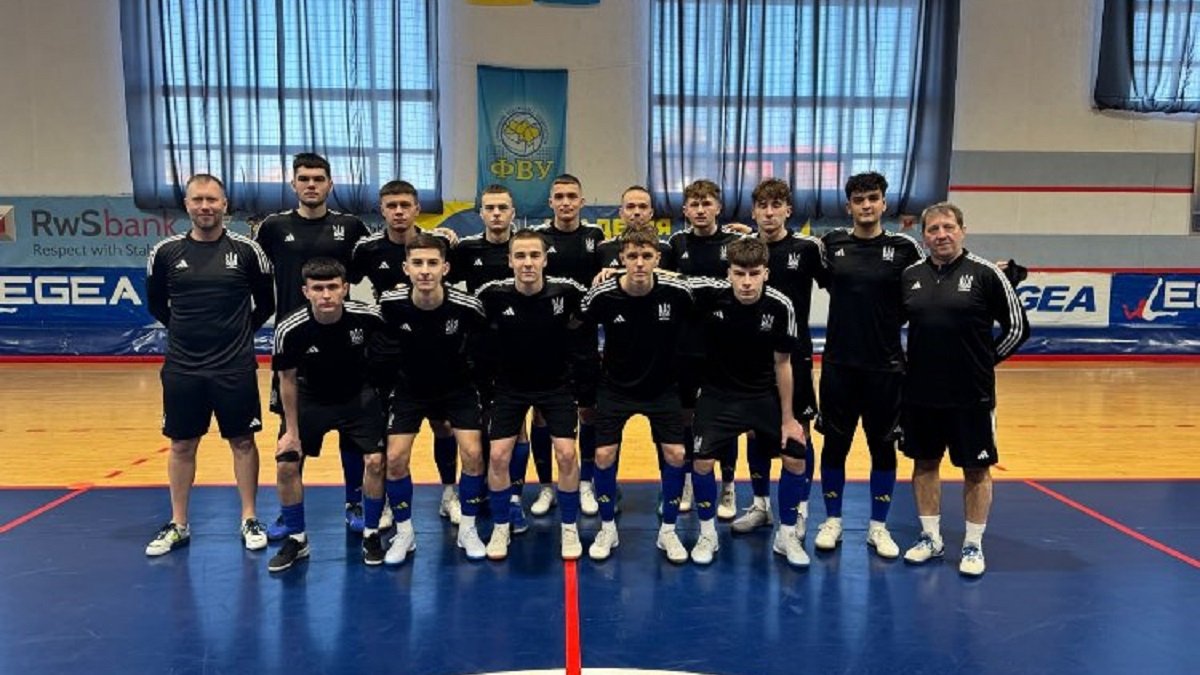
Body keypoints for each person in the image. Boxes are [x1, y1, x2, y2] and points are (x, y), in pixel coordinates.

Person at [144, 173, 274, 556]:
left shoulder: (248, 251)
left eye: (212, 199)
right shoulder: (165, 252)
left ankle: (249, 518)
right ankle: (179, 523)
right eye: (198, 199)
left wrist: (238, 335)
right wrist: (187, 333)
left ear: (224, 205)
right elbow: (157, 305)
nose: (205, 206)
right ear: (187, 205)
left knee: (243, 441)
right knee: (182, 444)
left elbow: (265, 304)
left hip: (234, 366)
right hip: (183, 368)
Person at [899, 202, 1029, 576]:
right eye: (933, 229)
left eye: (948, 227)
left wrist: (985, 362)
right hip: (921, 394)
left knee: (976, 468)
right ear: (924, 236)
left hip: (972, 395)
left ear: (962, 231)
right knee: (924, 463)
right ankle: (930, 538)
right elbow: (890, 324)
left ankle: (973, 544)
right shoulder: (910, 276)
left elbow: (1018, 328)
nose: (941, 235)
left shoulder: (987, 274)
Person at [254, 153, 373, 538]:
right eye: (304, 178)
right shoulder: (273, 227)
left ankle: (355, 501)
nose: (311, 185)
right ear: (293, 184)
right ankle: (288, 513)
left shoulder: (350, 227)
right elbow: (255, 275)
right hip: (294, 344)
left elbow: (382, 259)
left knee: (353, 432)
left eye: (318, 179)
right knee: (291, 434)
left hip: (344, 343)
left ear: (330, 184)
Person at [813, 172, 924, 558]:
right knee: (835, 445)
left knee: (883, 447)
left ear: (884, 203)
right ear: (848, 206)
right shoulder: (831, 244)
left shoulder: (905, 248)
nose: (866, 205)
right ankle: (832, 521)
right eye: (859, 199)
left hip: (886, 368)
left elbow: (929, 285)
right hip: (839, 365)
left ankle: (879, 526)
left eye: (873, 198)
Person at [688, 238, 808, 566]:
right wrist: (615, 273)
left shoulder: (781, 304)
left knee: (795, 457)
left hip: (762, 395)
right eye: (739, 273)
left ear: (766, 273)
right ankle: (707, 533)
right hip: (717, 396)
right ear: (728, 273)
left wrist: (788, 419)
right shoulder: (710, 293)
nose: (746, 282)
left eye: (754, 274)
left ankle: (786, 535)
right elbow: (664, 277)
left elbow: (783, 364)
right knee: (701, 463)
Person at [349, 180, 462, 526]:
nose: (398, 212)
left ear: (417, 209)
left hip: (434, 351)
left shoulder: (439, 242)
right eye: (391, 206)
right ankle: (386, 500)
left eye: (405, 205)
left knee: (444, 425)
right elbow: (344, 288)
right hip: (387, 354)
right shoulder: (367, 248)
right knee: (390, 432)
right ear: (382, 210)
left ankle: (449, 493)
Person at [267, 258, 389, 571]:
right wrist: (291, 431)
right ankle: (297, 538)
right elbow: (286, 380)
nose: (326, 295)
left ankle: (372, 533)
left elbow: (388, 357)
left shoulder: (368, 317)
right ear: (306, 291)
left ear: (345, 288)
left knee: (376, 462)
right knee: (286, 465)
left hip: (357, 396)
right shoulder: (289, 329)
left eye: (333, 287)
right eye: (318, 288)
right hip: (311, 398)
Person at [580, 229, 694, 563]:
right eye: (632, 256)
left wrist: (689, 391)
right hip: (615, 388)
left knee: (676, 454)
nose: (640, 263)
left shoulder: (678, 291)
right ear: (621, 260)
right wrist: (585, 393)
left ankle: (668, 531)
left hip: (663, 388)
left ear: (658, 258)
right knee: (603, 455)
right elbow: (581, 336)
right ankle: (607, 528)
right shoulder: (602, 294)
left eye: (646, 256)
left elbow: (697, 326)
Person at [476, 229, 589, 560]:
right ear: (510, 260)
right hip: (509, 388)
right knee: (498, 456)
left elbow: (597, 304)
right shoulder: (492, 295)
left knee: (566, 454)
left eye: (534, 256)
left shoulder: (567, 291)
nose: (528, 263)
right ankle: (501, 526)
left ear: (545, 260)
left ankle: (569, 526)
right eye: (521, 256)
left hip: (556, 387)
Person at [377, 234, 489, 562]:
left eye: (432, 263)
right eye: (418, 263)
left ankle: (468, 528)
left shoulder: (467, 306)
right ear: (406, 268)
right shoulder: (390, 304)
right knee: (395, 458)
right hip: (409, 390)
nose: (425, 270)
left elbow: (485, 350)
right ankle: (405, 533)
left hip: (457, 389)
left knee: (473, 454)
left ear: (445, 268)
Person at [732, 179, 825, 541]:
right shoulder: (742, 250)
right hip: (751, 358)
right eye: (762, 206)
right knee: (755, 431)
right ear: (753, 211)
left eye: (776, 206)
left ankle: (799, 509)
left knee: (798, 433)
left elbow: (844, 283)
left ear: (788, 210)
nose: (769, 213)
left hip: (794, 357)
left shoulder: (807, 248)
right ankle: (760, 505)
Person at [453, 185, 551, 525]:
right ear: (480, 212)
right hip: (480, 351)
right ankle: (477, 488)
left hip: (522, 351)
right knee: (481, 427)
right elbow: (435, 272)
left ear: (513, 212)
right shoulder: (466, 249)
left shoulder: (528, 247)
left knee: (517, 429)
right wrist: (438, 235)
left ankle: (512, 496)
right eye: (490, 207)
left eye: (502, 207)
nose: (496, 213)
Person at [666, 179, 746, 518]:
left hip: (725, 344)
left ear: (718, 207)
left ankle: (728, 485)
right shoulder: (676, 243)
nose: (700, 210)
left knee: (725, 417)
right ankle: (686, 480)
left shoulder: (735, 243)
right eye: (694, 205)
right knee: (685, 416)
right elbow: (664, 282)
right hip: (685, 344)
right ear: (685, 210)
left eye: (707, 203)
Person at [533, 175, 605, 516]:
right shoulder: (538, 238)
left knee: (589, 411)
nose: (565, 202)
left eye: (571, 196)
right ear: (550, 202)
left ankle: (587, 482)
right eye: (559, 196)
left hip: (584, 339)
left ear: (581, 202)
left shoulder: (595, 236)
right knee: (542, 415)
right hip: (546, 340)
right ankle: (546, 486)